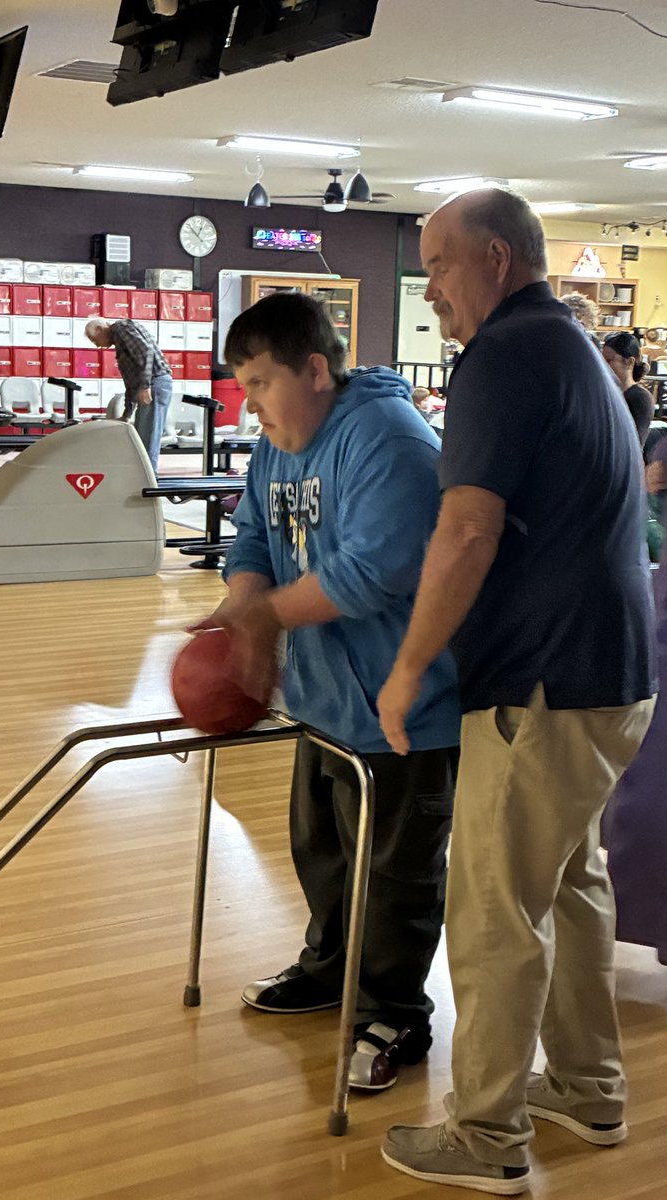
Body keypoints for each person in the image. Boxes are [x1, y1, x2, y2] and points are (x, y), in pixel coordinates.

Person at [376, 188, 657, 1194]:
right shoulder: (570, 347)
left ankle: (487, 1136)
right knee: (572, 886)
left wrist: (408, 669)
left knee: (496, 909)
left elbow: (467, 527)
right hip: (614, 676)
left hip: (542, 681)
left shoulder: (502, 357)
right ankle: (590, 1085)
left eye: (440, 265)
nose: (432, 288)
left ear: (496, 258)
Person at [192, 292, 460, 1091]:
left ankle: (396, 1014)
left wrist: (263, 620)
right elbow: (250, 535)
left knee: (397, 872)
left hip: (405, 706)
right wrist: (243, 603)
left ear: (315, 370)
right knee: (326, 852)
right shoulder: (278, 444)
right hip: (322, 701)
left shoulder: (390, 439)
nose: (250, 404)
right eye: (240, 385)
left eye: (260, 383)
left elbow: (374, 573)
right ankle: (329, 968)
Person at [84, 317, 172, 473]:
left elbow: (145, 352)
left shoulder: (122, 328)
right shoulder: (120, 341)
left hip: (154, 383)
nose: (97, 346)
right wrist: (127, 413)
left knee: (148, 438)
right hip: (149, 383)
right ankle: (143, 478)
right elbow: (131, 380)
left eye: (94, 340)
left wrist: (145, 386)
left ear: (99, 329)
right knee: (140, 439)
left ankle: (149, 483)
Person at [602, 331, 654, 446]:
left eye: (610, 360)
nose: (604, 366)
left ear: (630, 362)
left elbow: (635, 443)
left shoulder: (640, 397)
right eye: (602, 361)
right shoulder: (606, 393)